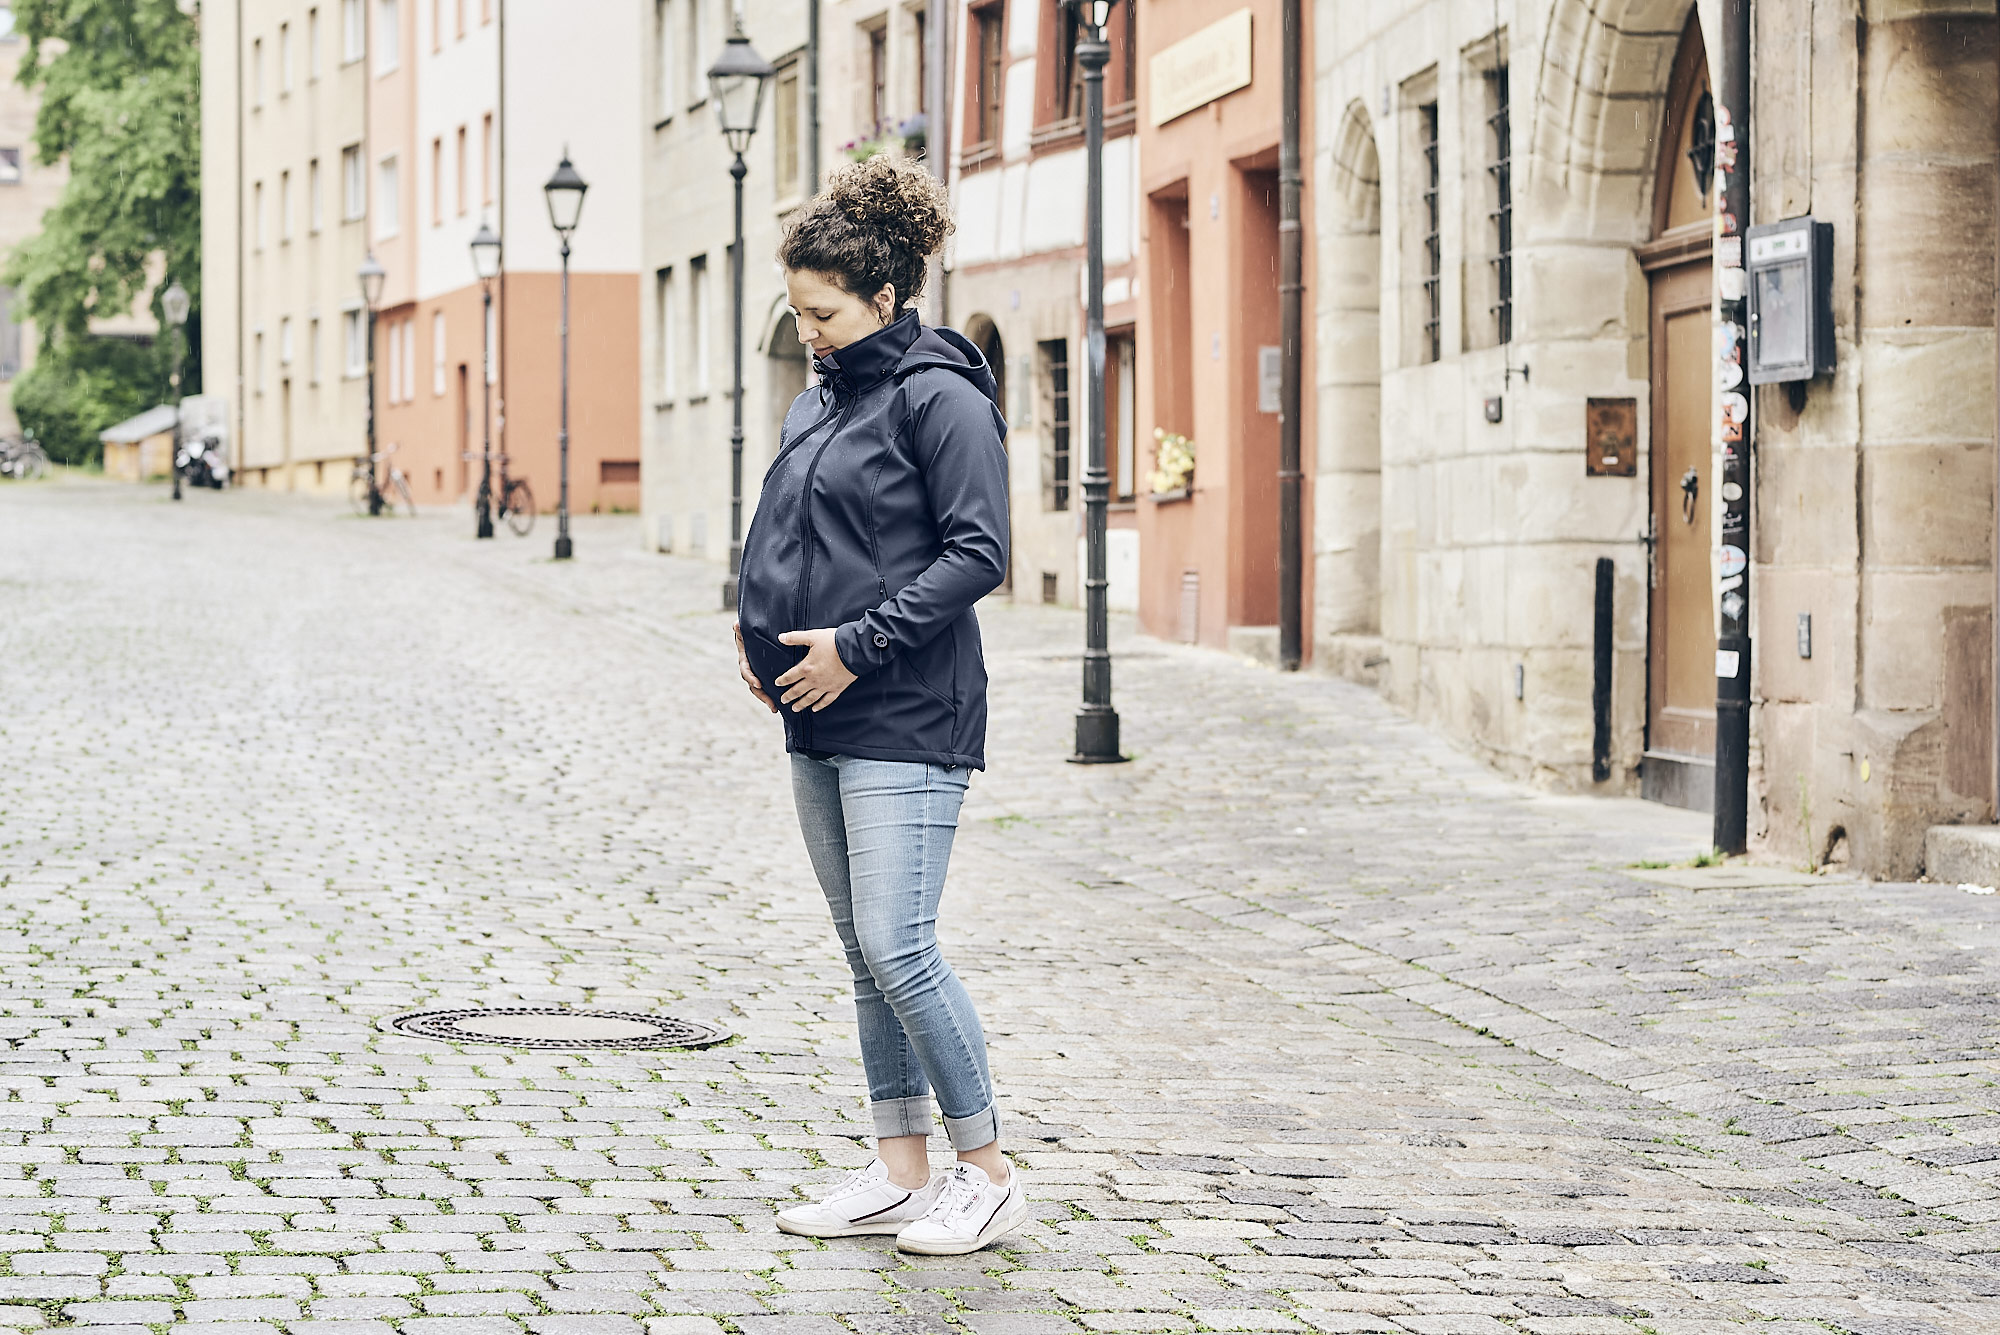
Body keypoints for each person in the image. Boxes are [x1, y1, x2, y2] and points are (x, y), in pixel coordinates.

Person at [731, 154, 1020, 1256]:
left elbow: (977, 553)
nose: (807, 331)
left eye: (824, 312)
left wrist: (854, 647)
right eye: (798, 312)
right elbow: (793, 531)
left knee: (901, 945)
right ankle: (900, 1172)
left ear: (887, 296)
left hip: (906, 709)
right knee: (863, 950)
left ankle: (986, 1173)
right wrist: (755, 629)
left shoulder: (942, 397)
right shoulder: (818, 401)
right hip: (815, 711)